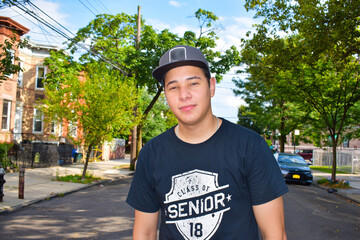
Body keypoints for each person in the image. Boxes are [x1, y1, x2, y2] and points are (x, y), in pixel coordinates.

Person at [126, 45, 288, 240]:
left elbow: (275, 235)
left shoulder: (250, 146)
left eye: (193, 83)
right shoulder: (151, 154)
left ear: (211, 86)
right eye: (173, 87)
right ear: (165, 94)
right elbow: (145, 233)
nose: (183, 95)